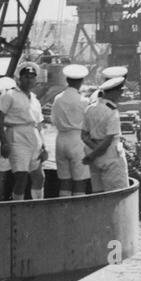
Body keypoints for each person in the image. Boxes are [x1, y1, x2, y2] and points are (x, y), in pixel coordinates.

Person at [0, 62, 47, 200]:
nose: (29, 80)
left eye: (32, 77)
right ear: (20, 78)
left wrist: (44, 146)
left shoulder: (35, 100)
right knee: (21, 177)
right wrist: (4, 142)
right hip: (17, 137)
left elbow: (39, 124)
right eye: (26, 77)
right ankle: (18, 207)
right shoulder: (10, 95)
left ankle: (38, 205)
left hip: (34, 138)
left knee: (39, 177)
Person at [83, 67, 130, 192]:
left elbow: (84, 135)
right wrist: (95, 153)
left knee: (98, 194)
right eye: (120, 91)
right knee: (117, 193)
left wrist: (93, 151)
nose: (122, 94)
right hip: (111, 157)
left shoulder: (91, 106)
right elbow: (108, 141)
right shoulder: (112, 110)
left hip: (95, 156)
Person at [50, 63, 90, 197]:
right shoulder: (84, 101)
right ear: (81, 81)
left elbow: (53, 120)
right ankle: (78, 214)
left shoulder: (58, 99)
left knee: (64, 180)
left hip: (61, 139)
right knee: (79, 180)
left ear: (67, 80)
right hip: (77, 139)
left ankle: (64, 210)